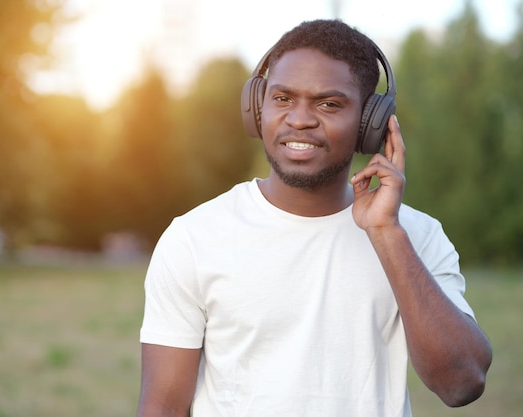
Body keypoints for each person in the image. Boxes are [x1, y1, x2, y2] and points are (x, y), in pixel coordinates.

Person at [136, 19, 492, 417]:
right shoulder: (193, 238)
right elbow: (163, 406)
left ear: (369, 124)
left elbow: (462, 383)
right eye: (283, 98)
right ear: (257, 108)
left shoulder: (416, 236)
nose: (299, 119)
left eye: (328, 104)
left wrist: (386, 234)